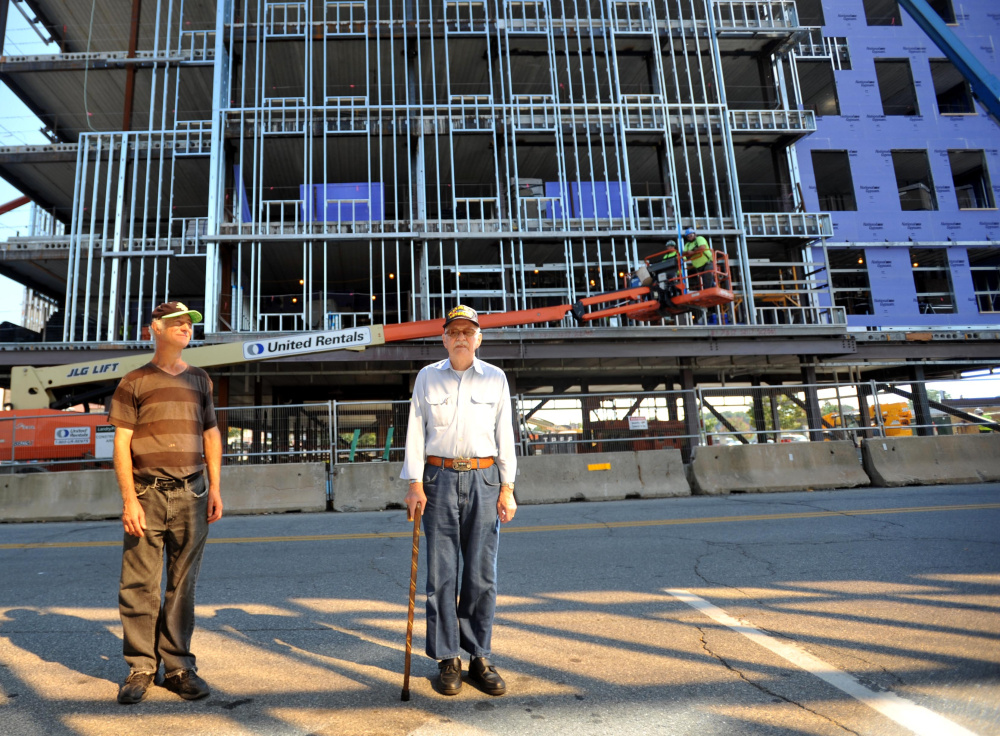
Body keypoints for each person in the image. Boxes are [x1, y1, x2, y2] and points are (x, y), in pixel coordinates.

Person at [401, 304, 518, 697]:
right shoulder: (427, 378)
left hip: (485, 478)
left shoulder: (495, 379)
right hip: (438, 478)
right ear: (444, 338)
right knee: (441, 575)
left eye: (469, 332)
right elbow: (416, 431)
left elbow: (506, 434)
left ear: (478, 338)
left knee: (482, 575)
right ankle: (447, 658)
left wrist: (507, 486)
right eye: (455, 332)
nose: (462, 338)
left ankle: (479, 655)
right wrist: (415, 483)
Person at [110, 302, 223, 704]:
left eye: (189, 323)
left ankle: (177, 667)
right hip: (146, 493)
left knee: (182, 584)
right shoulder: (134, 381)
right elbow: (121, 443)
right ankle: (141, 667)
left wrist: (216, 489)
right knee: (139, 583)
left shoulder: (200, 380)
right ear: (153, 329)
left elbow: (211, 436)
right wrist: (129, 500)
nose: (185, 328)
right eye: (175, 323)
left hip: (193, 492)